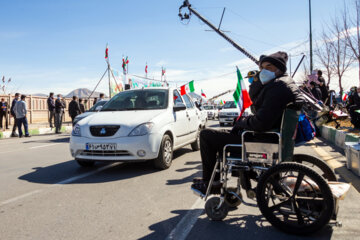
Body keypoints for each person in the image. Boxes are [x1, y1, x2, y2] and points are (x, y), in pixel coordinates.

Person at [191, 51, 304, 194]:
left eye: (268, 67)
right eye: (261, 68)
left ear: (279, 68)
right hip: (268, 136)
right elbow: (258, 106)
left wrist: (242, 122)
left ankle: (212, 183)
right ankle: (220, 180)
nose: (263, 71)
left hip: (262, 140)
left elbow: (261, 123)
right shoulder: (283, 83)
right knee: (221, 136)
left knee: (207, 135)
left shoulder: (278, 87)